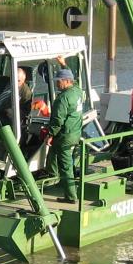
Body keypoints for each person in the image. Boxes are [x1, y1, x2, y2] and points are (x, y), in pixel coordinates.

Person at [47, 66, 85, 201]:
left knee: (66, 166)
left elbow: (58, 120)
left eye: (59, 81)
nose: (57, 83)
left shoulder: (62, 99)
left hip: (65, 137)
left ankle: (71, 196)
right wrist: (64, 64)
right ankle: (55, 180)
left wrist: (50, 135)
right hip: (76, 133)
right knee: (56, 157)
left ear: (67, 81)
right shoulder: (78, 92)